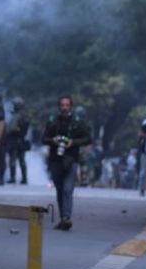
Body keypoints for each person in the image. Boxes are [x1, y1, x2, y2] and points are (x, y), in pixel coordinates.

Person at [41, 95, 92, 230]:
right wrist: (53, 140)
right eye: (62, 105)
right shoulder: (53, 121)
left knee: (68, 189)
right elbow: (44, 138)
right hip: (55, 160)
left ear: (71, 107)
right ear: (59, 106)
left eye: (67, 105)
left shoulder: (77, 122)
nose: (64, 108)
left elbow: (88, 138)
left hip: (71, 159)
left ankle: (66, 217)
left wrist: (73, 142)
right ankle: (63, 217)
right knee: (59, 190)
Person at [6, 97, 31, 184]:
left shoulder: (16, 116)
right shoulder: (25, 116)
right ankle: (24, 178)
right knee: (22, 160)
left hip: (14, 140)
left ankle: (13, 178)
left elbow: (11, 129)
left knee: (13, 160)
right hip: (22, 139)